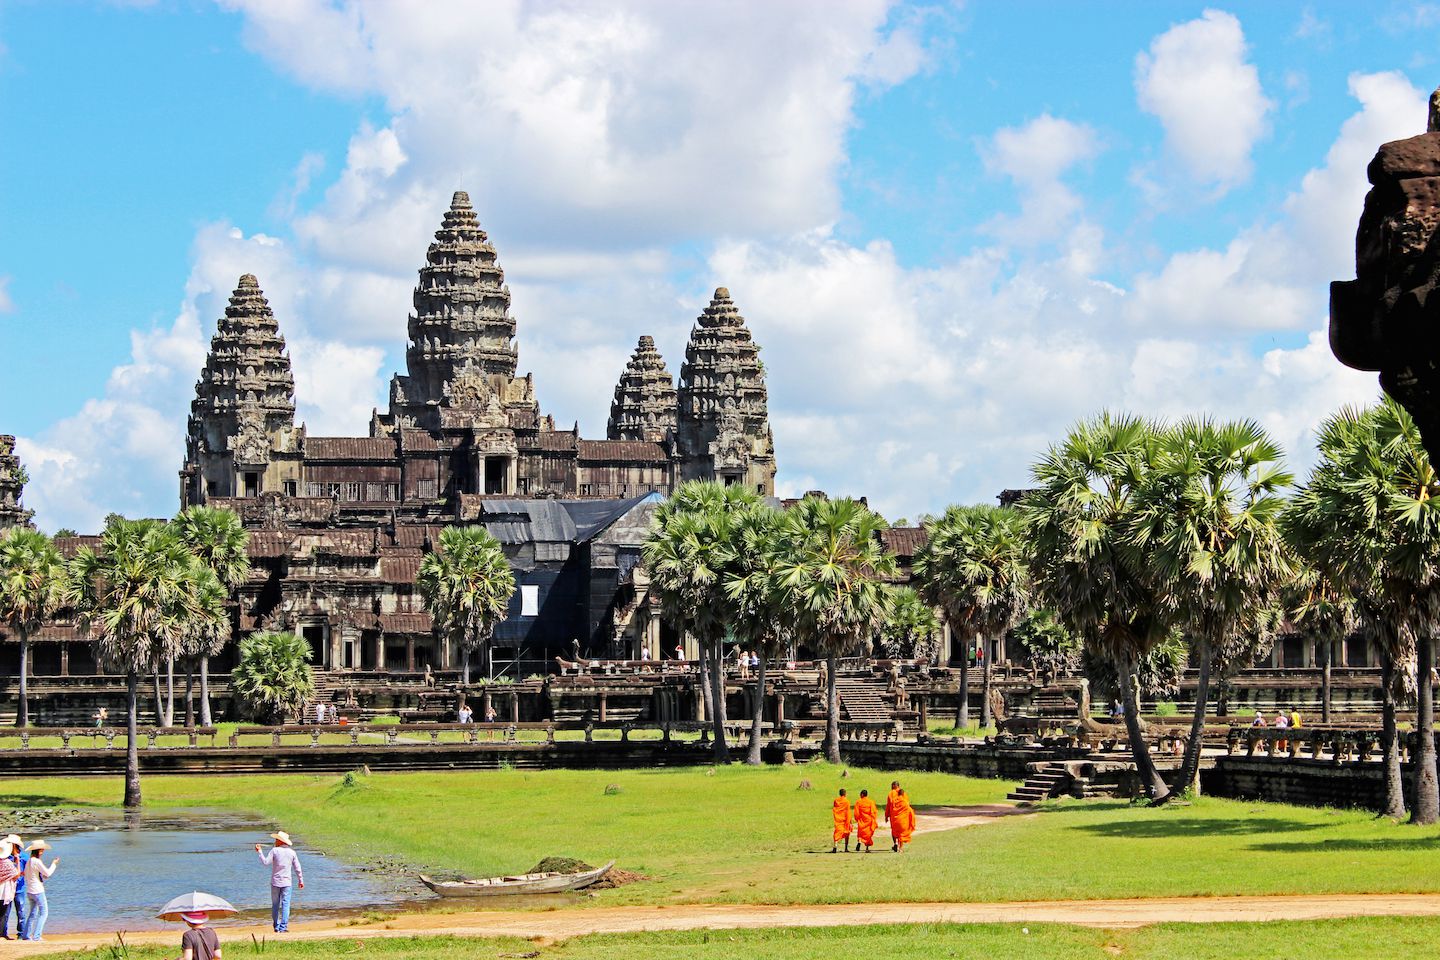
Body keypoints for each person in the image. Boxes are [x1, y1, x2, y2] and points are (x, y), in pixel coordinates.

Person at [255, 831, 304, 933]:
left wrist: (259, 851)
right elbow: (297, 868)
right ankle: (283, 927)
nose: (275, 841)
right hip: (287, 883)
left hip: (275, 882)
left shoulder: (274, 851)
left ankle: (276, 927)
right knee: (286, 904)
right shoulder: (292, 852)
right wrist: (300, 880)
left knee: (275, 905)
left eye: (276, 839)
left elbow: (265, 862)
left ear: (279, 841)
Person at [22, 840, 56, 941]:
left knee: (32, 913)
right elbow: (48, 873)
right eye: (42, 850)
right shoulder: (36, 861)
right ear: (39, 851)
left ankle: (26, 935)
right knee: (44, 913)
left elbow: (32, 874)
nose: (43, 851)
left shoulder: (29, 861)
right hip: (37, 890)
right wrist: (54, 864)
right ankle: (37, 936)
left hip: (30, 891)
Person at [3, 835, 27, 939]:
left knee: (21, 912)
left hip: (19, 888)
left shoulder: (24, 857)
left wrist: (21, 874)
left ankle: (21, 934)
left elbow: (29, 871)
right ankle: (3, 934)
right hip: (7, 889)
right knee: (5, 913)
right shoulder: (4, 857)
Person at [0, 841, 18, 940]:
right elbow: (16, 875)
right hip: (4, 892)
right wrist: (18, 861)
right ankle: (1, 935)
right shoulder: (7, 863)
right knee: (2, 914)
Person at [853, 789, 878, 853]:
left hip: (861, 820)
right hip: (868, 820)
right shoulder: (870, 802)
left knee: (860, 833)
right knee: (868, 834)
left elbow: (856, 812)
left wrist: (857, 818)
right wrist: (873, 819)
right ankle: (867, 848)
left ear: (862, 794)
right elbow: (873, 811)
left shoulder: (858, 802)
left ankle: (859, 841)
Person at [830, 788, 852, 853]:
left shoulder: (836, 801)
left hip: (838, 819)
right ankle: (846, 848)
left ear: (839, 794)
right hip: (845, 819)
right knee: (846, 832)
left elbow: (835, 810)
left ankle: (835, 846)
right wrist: (850, 820)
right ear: (845, 794)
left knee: (837, 832)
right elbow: (848, 812)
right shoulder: (847, 801)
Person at [884, 780, 902, 852]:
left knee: (894, 830)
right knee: (901, 831)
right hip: (901, 815)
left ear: (894, 786)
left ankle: (895, 843)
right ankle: (900, 847)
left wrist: (886, 816)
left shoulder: (891, 793)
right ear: (898, 786)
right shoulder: (902, 793)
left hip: (893, 815)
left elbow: (888, 805)